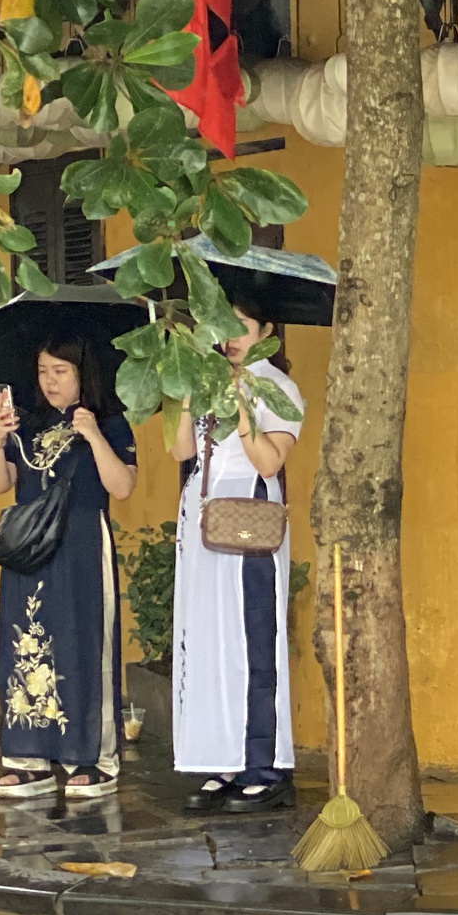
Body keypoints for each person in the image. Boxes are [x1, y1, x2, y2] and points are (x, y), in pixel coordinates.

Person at [0, 336, 137, 797]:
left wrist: (91, 435)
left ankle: (90, 757)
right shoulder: (26, 425)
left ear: (81, 374)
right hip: (29, 548)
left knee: (82, 643)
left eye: (61, 372)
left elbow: (124, 486)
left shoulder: (110, 422)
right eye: (43, 371)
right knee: (26, 645)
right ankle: (28, 757)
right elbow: (0, 483)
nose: (50, 381)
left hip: (81, 542)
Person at [173, 299, 306, 812]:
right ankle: (222, 758)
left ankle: (265, 766)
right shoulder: (209, 378)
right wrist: (188, 396)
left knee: (253, 641)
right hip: (204, 517)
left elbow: (269, 461)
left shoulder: (278, 387)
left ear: (267, 330)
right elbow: (181, 452)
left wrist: (243, 405)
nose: (230, 337)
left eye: (243, 328)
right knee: (209, 641)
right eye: (222, 326)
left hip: (249, 518)